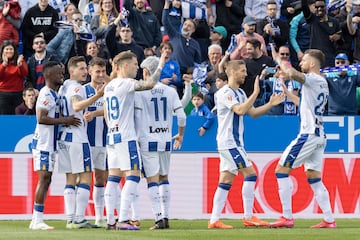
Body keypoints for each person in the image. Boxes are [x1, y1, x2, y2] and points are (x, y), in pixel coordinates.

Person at [208, 59, 284, 229]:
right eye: (242, 70)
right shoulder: (224, 92)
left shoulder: (240, 93)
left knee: (226, 180)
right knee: (250, 174)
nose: (246, 74)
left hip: (233, 142)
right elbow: (240, 110)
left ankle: (214, 220)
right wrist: (256, 93)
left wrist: (270, 104)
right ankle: (248, 216)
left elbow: (253, 113)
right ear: (233, 72)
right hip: (229, 142)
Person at [270, 49, 336, 228]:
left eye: (304, 61)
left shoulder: (313, 79)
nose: (301, 63)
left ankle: (287, 217)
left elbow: (291, 72)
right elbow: (305, 105)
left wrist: (278, 59)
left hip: (308, 133)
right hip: (320, 134)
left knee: (281, 170)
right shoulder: (322, 82)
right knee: (313, 176)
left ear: (312, 64)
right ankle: (329, 219)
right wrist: (288, 93)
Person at [103, 50, 165, 230]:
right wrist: (160, 64)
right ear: (124, 66)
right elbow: (150, 84)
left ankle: (110, 220)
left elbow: (107, 113)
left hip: (112, 136)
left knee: (113, 178)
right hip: (126, 136)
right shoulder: (126, 83)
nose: (137, 67)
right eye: (135, 64)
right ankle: (123, 219)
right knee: (133, 176)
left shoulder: (109, 86)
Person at [134, 55, 186, 230]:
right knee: (164, 178)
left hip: (148, 140)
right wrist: (179, 135)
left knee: (152, 180)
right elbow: (182, 116)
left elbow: (137, 117)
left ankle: (158, 219)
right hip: (166, 140)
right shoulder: (170, 91)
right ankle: (166, 216)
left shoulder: (141, 91)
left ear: (147, 71)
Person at [29, 61, 81, 230]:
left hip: (49, 145)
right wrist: (65, 120)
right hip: (43, 144)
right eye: (58, 73)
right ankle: (36, 220)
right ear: (49, 76)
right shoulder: (45, 94)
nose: (61, 76)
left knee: (47, 179)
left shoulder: (54, 94)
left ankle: (37, 218)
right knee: (44, 179)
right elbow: (41, 118)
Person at [58, 56, 105, 229]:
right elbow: (77, 106)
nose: (85, 72)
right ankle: (79, 218)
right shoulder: (77, 87)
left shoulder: (63, 87)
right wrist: (98, 96)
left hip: (64, 137)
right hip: (78, 138)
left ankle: (70, 219)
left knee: (70, 179)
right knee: (85, 177)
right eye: (82, 69)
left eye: (86, 68)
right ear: (72, 71)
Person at [83, 57, 109, 227]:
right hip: (85, 141)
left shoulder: (110, 89)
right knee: (83, 179)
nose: (100, 74)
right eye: (97, 71)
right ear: (90, 71)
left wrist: (95, 114)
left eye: (102, 71)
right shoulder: (83, 90)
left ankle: (99, 216)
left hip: (105, 141)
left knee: (101, 178)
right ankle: (77, 216)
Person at [162, 0, 201, 74]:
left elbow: (197, 63)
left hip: (188, 75)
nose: (186, 27)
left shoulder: (195, 44)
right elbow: (165, 21)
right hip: (173, 73)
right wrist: (167, 4)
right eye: (185, 24)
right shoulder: (174, 35)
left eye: (189, 26)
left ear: (193, 30)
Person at [301, 0, 342, 67]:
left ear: (326, 7)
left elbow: (341, 42)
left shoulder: (334, 21)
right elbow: (304, 7)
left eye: (322, 6)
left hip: (330, 56)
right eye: (317, 7)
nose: (319, 9)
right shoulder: (312, 19)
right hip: (315, 57)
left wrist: (338, 37)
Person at [105, 15, 145, 80]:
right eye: (123, 31)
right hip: (118, 80)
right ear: (119, 33)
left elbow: (141, 67)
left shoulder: (139, 49)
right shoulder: (115, 47)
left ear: (132, 33)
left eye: (128, 31)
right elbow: (108, 37)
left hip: (134, 82)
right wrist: (117, 20)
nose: (125, 33)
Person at [0, 40, 28, 115]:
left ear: (14, 51)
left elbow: (24, 74)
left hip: (18, 93)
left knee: (18, 117)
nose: (9, 51)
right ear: (3, 51)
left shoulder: (20, 60)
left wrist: (20, 65)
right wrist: (4, 65)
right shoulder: (0, 63)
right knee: (4, 117)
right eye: (7, 49)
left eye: (11, 49)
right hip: (3, 94)